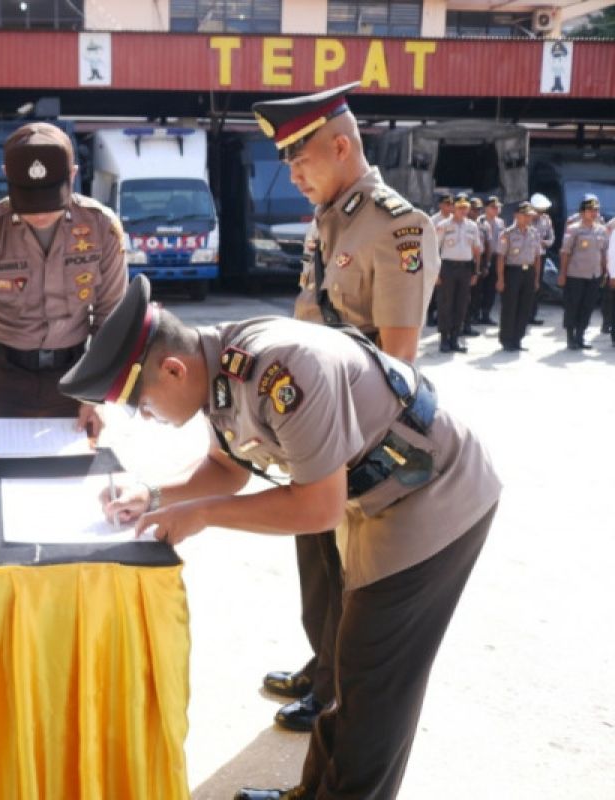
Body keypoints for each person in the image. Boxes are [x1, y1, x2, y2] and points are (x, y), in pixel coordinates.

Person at [59, 274, 501, 800]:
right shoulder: (221, 366)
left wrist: (201, 516)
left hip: (432, 498)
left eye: (141, 405)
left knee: (373, 687)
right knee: (343, 670)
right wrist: (155, 495)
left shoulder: (280, 368)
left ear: (173, 369)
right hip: (376, 500)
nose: (146, 418)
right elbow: (226, 469)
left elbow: (317, 507)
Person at [250, 82, 439, 733]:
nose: (294, 176)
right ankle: (319, 659)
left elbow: (400, 362)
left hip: (357, 436)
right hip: (313, 423)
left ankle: (334, 686)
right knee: (315, 558)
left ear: (340, 146)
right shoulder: (330, 216)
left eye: (301, 162)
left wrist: (354, 455)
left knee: (347, 568)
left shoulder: (399, 226)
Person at [0, 121, 128, 472]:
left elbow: (110, 321)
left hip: (76, 379)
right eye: (28, 199)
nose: (39, 211)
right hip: (3, 379)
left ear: (73, 174)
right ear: (6, 176)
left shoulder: (102, 228)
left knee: (73, 492)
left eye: (49, 199)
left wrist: (96, 395)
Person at [557, 196, 608, 350]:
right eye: (591, 210)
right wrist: (562, 274)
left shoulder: (601, 229)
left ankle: (581, 335)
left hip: (594, 274)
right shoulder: (573, 229)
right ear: (583, 212)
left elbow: (603, 252)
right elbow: (565, 252)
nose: (594, 213)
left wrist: (604, 271)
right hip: (575, 275)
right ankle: (570, 337)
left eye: (596, 210)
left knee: (588, 306)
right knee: (573, 305)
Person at [433, 193, 482, 353]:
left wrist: (476, 271)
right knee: (446, 303)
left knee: (461, 304)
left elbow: (476, 249)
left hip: (465, 268)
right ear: (454, 208)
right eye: (460, 208)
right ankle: (444, 339)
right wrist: (436, 272)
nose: (463, 211)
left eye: (466, 208)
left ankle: (455, 339)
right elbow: (435, 248)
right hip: (447, 267)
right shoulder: (443, 225)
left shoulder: (472, 226)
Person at [496, 201, 543, 353]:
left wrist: (536, 278)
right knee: (510, 306)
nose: (528, 219)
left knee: (524, 307)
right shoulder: (507, 233)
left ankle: (518, 339)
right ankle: (506, 339)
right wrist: (501, 279)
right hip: (512, 272)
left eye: (530, 216)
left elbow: (537, 257)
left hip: (528, 272)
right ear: (517, 215)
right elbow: (501, 257)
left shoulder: (534, 233)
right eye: (525, 215)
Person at [474, 196, 504, 326]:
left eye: (498, 207)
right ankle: (474, 315)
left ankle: (486, 314)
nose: (496, 209)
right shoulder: (479, 221)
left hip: (496, 256)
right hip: (482, 256)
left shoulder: (500, 222)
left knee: (491, 288)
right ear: (486, 208)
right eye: (493, 207)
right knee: (477, 288)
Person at [528, 192, 555, 325]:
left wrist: (545, 243)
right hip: (527, 256)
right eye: (538, 210)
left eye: (542, 210)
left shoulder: (546, 219)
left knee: (536, 285)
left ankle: (532, 315)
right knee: (526, 284)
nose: (540, 213)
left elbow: (551, 237)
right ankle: (523, 315)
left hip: (541, 255)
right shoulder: (526, 219)